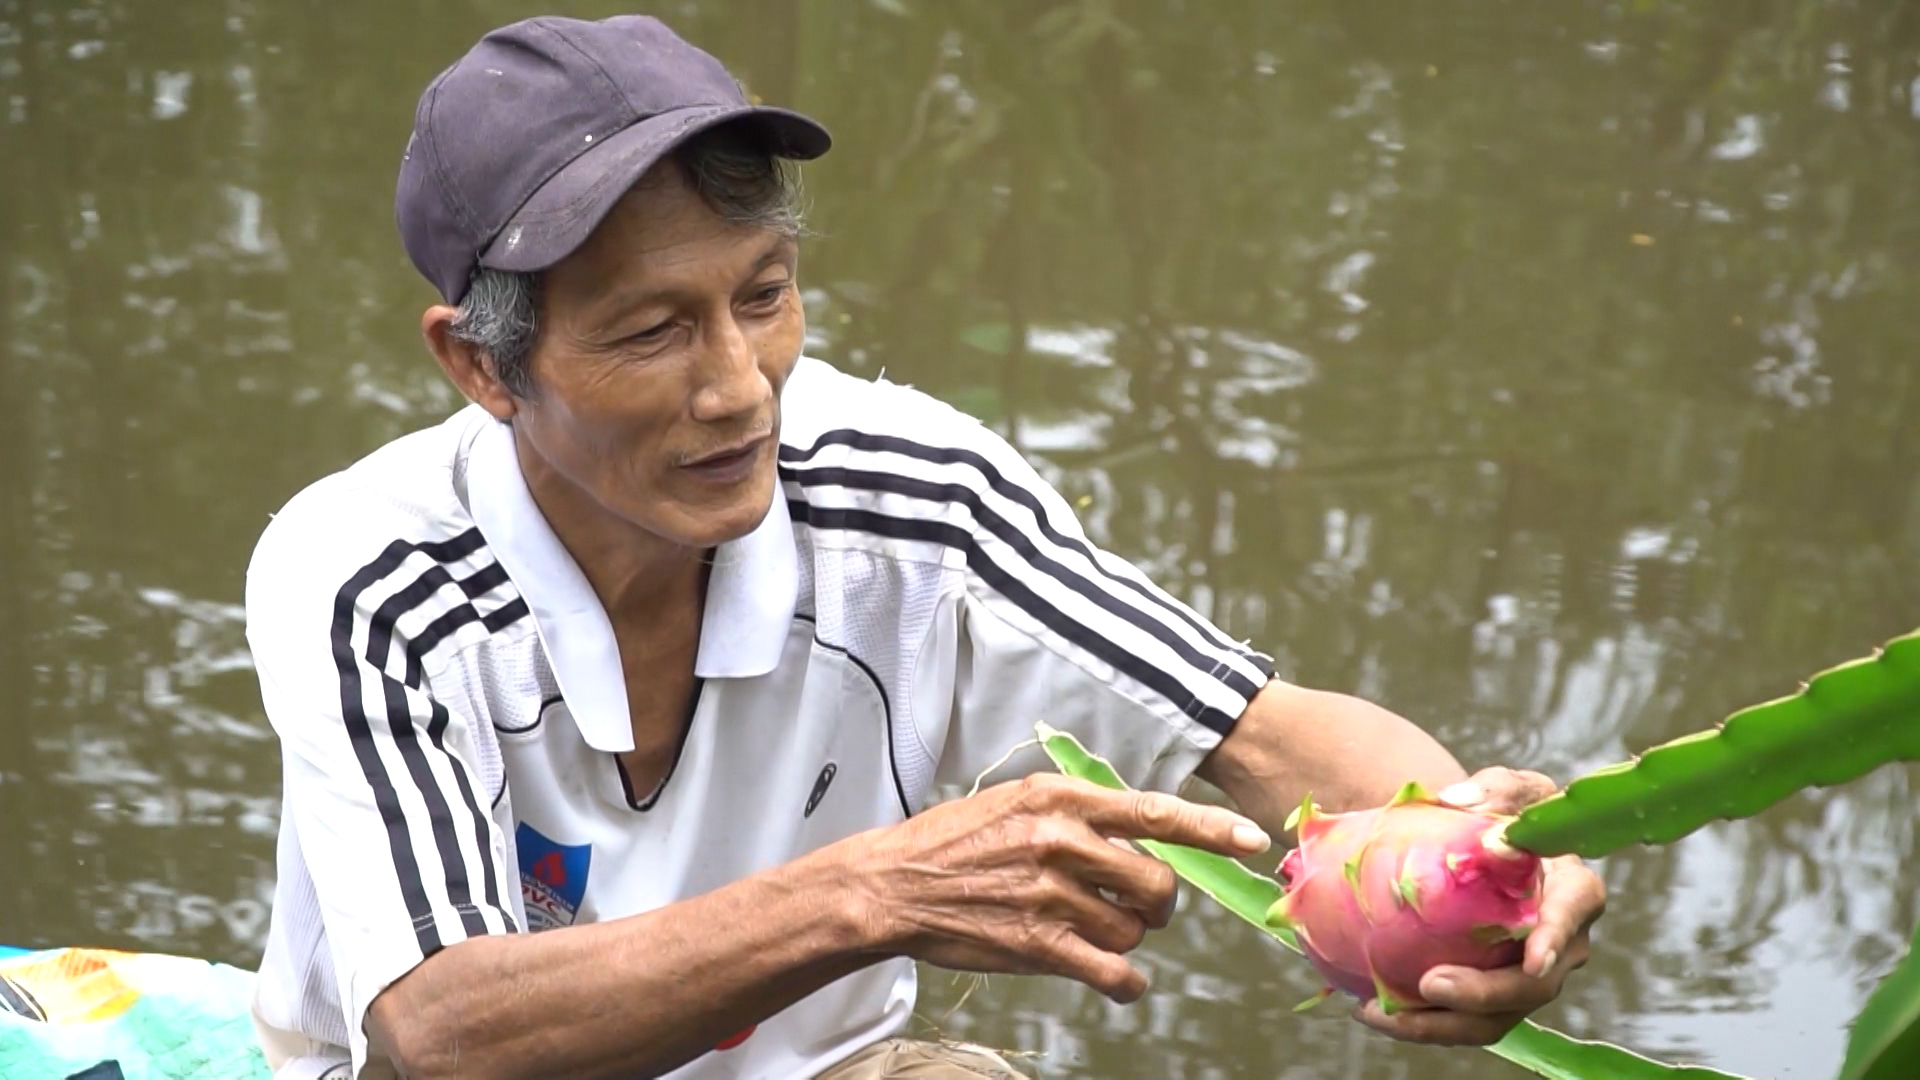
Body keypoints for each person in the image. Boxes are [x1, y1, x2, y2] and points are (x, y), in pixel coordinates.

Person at [241, 14, 1606, 1080]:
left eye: (763, 298)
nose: (738, 387)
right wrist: (876, 891)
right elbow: (443, 1035)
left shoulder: (906, 490)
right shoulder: (366, 577)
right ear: (483, 367)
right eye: (650, 333)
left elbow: (1263, 739)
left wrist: (1481, 860)